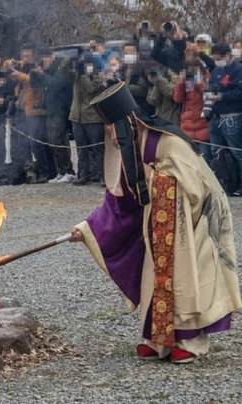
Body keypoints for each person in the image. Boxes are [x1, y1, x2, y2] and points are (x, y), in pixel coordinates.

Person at [71, 83, 241, 365]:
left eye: (114, 128)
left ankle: (188, 340)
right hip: (160, 226)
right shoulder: (131, 148)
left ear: (128, 124)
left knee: (186, 278)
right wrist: (86, 228)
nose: (111, 134)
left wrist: (159, 180)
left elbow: (196, 188)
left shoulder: (169, 142)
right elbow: (120, 199)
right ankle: (159, 340)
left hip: (192, 222)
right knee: (156, 276)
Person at [206, 43, 242, 196]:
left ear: (227, 54)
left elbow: (239, 92)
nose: (217, 60)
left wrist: (220, 96)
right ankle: (224, 182)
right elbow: (211, 86)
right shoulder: (216, 70)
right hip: (215, 117)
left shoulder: (238, 70)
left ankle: (240, 184)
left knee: (236, 152)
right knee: (217, 152)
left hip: (232, 117)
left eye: (219, 58)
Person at [12, 58, 56, 182]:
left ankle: (44, 172)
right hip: (25, 110)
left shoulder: (37, 75)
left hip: (38, 112)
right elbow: (18, 91)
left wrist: (21, 74)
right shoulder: (23, 73)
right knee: (25, 143)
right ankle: (31, 171)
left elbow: (32, 83)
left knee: (37, 144)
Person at [68, 57, 106, 186]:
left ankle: (101, 175)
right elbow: (63, 71)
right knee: (81, 148)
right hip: (76, 117)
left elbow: (90, 89)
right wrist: (72, 59)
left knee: (97, 148)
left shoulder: (100, 78)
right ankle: (84, 175)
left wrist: (84, 75)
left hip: (93, 118)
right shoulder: (76, 76)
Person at [42, 52, 76, 183]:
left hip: (60, 110)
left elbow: (54, 85)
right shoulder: (48, 71)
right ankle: (60, 171)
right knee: (52, 142)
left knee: (58, 140)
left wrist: (41, 73)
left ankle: (69, 171)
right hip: (50, 110)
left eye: (45, 57)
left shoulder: (61, 70)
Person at [173, 59, 211, 164]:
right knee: (190, 161)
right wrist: (180, 82)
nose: (192, 71)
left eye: (194, 69)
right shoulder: (186, 82)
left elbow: (208, 95)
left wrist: (198, 82)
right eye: (189, 69)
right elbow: (177, 99)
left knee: (205, 160)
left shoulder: (206, 79)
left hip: (203, 124)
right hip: (187, 125)